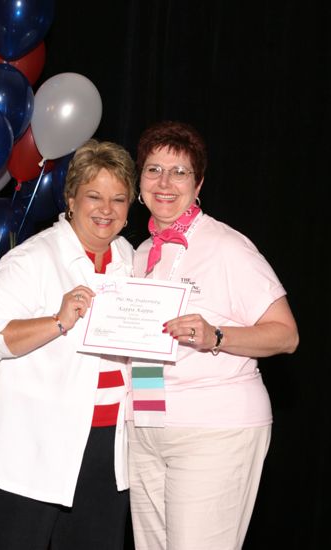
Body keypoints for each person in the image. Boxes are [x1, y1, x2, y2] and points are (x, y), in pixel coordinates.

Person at [126, 120, 299, 550]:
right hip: (148, 429)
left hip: (213, 430)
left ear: (198, 183)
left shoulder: (227, 247)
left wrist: (216, 336)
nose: (165, 182)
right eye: (153, 170)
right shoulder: (142, 253)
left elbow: (285, 335)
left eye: (179, 172)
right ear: (139, 181)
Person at [0, 139, 136, 550]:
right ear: (71, 199)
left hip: (105, 455)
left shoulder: (130, 258)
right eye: (94, 196)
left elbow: (144, 358)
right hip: (27, 454)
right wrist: (57, 321)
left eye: (118, 199)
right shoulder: (33, 259)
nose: (106, 210)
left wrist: (153, 418)